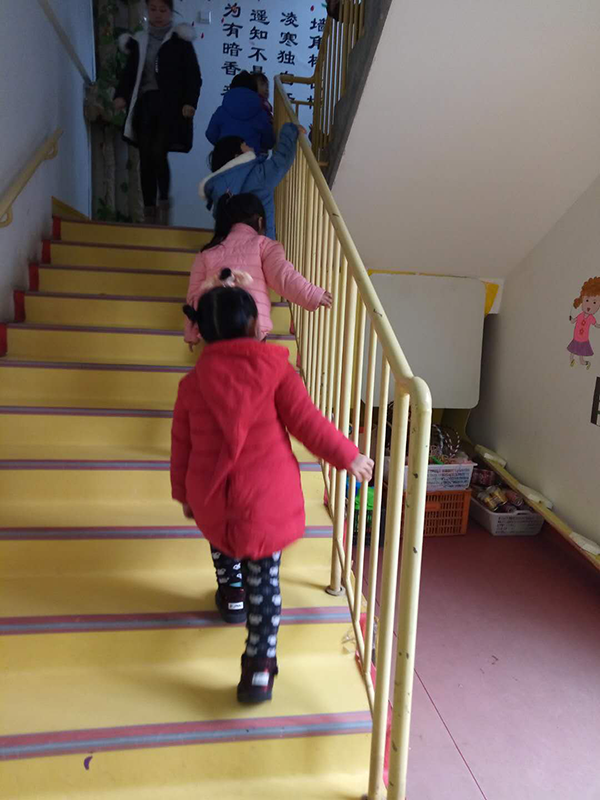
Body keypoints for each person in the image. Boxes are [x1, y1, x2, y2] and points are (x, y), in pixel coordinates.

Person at [171, 282, 374, 703]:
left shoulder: (191, 385)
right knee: (265, 586)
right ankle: (259, 668)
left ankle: (231, 594)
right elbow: (308, 423)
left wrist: (183, 494)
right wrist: (348, 456)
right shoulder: (276, 371)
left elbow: (182, 446)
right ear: (255, 327)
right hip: (265, 502)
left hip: (212, 496)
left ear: (203, 333)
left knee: (223, 544)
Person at [184, 194, 332, 347]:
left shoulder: (207, 252)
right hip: (250, 323)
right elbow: (282, 275)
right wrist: (312, 294)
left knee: (220, 360)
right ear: (260, 221)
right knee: (252, 361)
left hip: (215, 325)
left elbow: (194, 294)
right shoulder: (263, 245)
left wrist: (192, 332)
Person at [114, 0, 202, 225]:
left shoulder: (180, 41)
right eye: (153, 9)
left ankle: (163, 202)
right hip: (144, 105)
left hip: (169, 107)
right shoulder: (139, 41)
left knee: (158, 152)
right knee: (145, 157)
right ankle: (149, 211)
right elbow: (129, 74)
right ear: (147, 11)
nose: (158, 14)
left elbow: (193, 76)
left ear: (171, 12)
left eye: (163, 10)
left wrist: (189, 102)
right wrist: (121, 96)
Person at [199, 122, 302, 240]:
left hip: (230, 246)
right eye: (245, 145)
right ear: (237, 155)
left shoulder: (219, 186)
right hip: (260, 245)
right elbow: (281, 162)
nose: (250, 147)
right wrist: (289, 131)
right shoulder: (256, 174)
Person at [205, 70, 275, 154]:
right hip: (251, 158)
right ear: (254, 89)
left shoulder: (221, 110)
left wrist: (222, 146)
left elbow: (210, 134)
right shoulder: (261, 114)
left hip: (224, 157)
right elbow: (269, 142)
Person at [567, 277, 600, 368]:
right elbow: (573, 321)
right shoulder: (580, 315)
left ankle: (586, 363)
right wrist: (571, 319)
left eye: (594, 303)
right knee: (572, 353)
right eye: (587, 300)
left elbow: (596, 325)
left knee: (581, 358)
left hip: (583, 340)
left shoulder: (591, 318)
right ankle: (572, 362)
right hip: (576, 338)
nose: (589, 306)